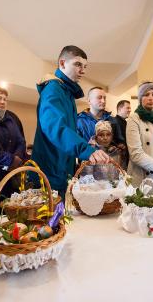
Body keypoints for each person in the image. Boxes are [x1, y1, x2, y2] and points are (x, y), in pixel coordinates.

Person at [31, 45, 109, 197]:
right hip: (50, 171)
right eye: (78, 64)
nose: (83, 71)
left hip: (61, 168)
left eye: (85, 66)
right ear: (62, 63)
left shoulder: (66, 92)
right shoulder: (53, 89)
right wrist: (85, 150)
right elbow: (55, 127)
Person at [110, 100, 131, 168]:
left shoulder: (126, 123)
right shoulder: (113, 122)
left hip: (126, 159)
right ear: (120, 109)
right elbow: (110, 141)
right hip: (118, 160)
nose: (130, 110)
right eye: (127, 108)